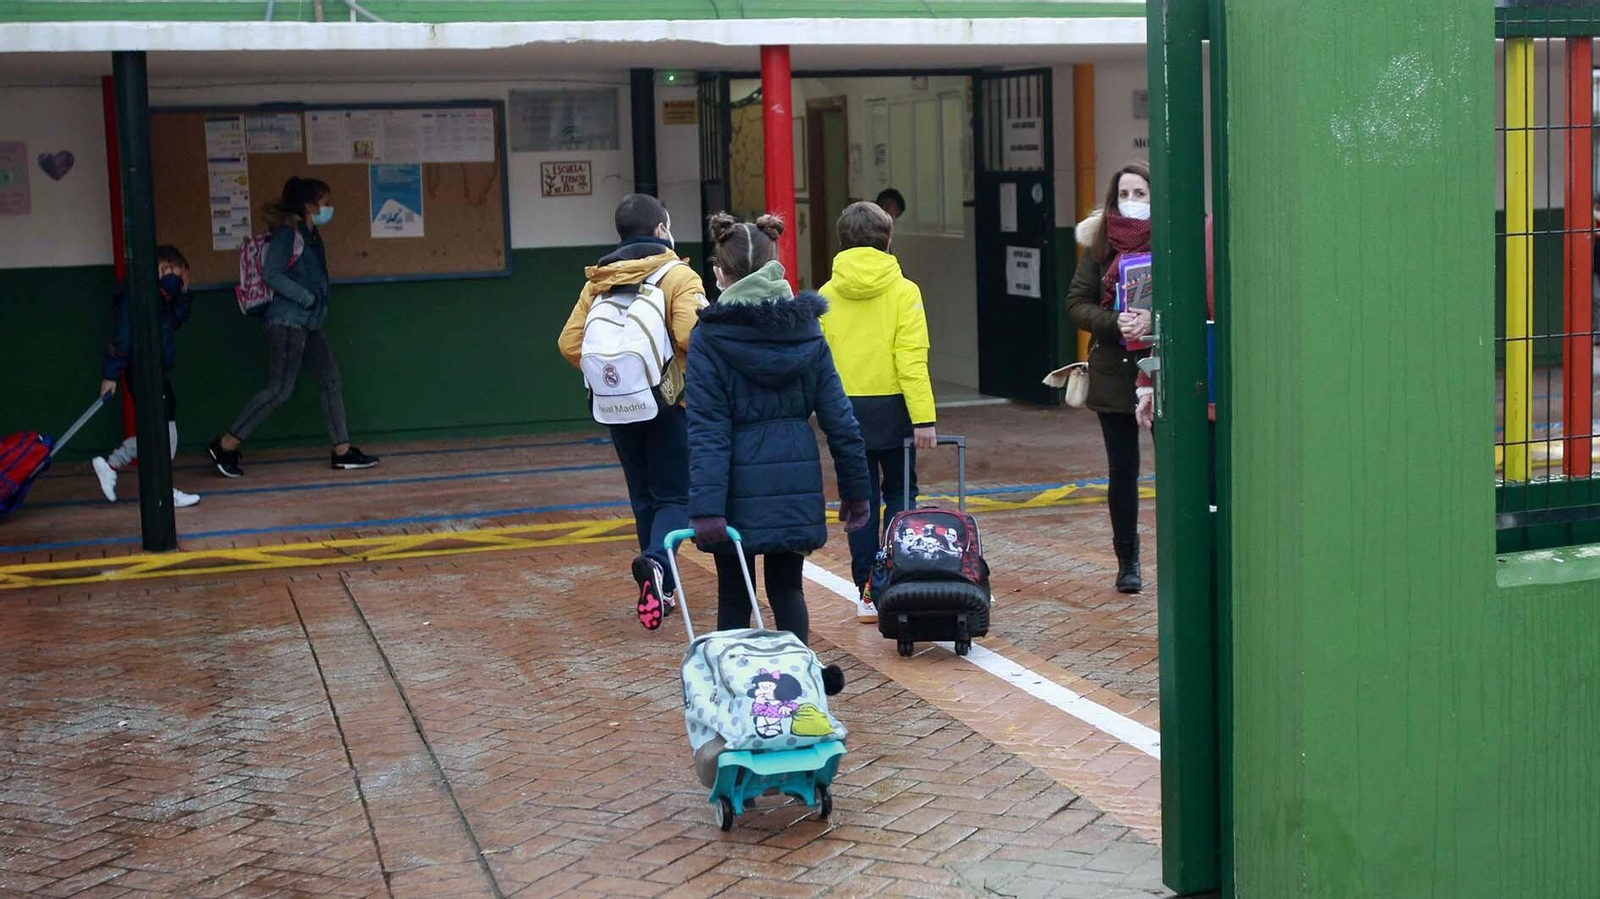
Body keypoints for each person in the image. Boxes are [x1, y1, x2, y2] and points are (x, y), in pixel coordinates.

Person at [686, 212, 872, 644]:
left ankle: (734, 697)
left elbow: (707, 431)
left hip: (734, 483)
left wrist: (707, 508)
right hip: (795, 475)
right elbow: (839, 418)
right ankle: (799, 693)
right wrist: (856, 490)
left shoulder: (709, 338)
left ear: (718, 274)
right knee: (788, 588)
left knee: (733, 591)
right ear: (777, 265)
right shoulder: (807, 329)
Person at [559, 193, 707, 630]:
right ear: (661, 229)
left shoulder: (598, 281)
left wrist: (616, 375)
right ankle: (658, 565)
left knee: (644, 497)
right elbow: (690, 336)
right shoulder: (679, 275)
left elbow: (569, 344)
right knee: (676, 497)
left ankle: (659, 587)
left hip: (616, 404)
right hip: (669, 403)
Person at [207, 177, 378, 479]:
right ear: (310, 206)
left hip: (308, 323)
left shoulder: (311, 235)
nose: (329, 209)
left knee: (329, 379)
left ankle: (342, 451)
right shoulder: (288, 234)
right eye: (325, 204)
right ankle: (225, 445)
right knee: (279, 390)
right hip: (287, 322)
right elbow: (272, 274)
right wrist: (306, 297)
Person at [817, 201, 937, 623]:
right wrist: (924, 418)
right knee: (902, 495)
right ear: (888, 239)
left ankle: (867, 589)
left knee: (859, 501)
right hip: (896, 408)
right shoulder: (905, 291)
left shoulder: (827, 295)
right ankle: (902, 574)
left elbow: (820, 362)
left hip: (844, 410)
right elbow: (911, 359)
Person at [1067, 162, 1154, 594]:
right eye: (1125, 194)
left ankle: (1182, 555)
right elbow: (1076, 304)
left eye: (1141, 193)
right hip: (1113, 371)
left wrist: (1154, 319)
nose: (1133, 202)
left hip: (1159, 369)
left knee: (1176, 468)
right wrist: (1112, 321)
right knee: (1123, 469)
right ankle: (1128, 561)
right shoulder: (1098, 247)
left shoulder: (1172, 242)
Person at [90, 245, 201, 509]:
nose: (181, 281)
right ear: (165, 268)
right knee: (162, 433)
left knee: (162, 431)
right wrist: (111, 375)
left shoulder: (159, 297)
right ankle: (160, 488)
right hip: (143, 372)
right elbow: (124, 336)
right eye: (179, 274)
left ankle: (114, 464)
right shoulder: (139, 295)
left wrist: (183, 295)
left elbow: (172, 321)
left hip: (154, 371)